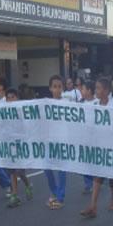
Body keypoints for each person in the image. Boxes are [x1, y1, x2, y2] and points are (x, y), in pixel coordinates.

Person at [80, 78, 113, 218]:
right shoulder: (95, 105)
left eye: (98, 88)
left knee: (111, 176)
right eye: (96, 88)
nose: (96, 91)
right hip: (99, 145)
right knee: (98, 175)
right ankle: (93, 206)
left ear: (107, 90)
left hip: (112, 145)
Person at [5, 88, 33, 208]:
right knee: (12, 170)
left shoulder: (22, 110)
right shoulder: (4, 111)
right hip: (10, 143)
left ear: (17, 98)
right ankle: (15, 195)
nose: (10, 99)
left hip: (21, 144)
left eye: (12, 97)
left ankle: (27, 184)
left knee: (20, 171)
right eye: (8, 97)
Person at [45, 75, 68, 210]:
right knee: (47, 168)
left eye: (60, 87)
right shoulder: (45, 103)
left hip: (62, 140)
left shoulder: (66, 104)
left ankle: (60, 197)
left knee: (61, 169)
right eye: (55, 86)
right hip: (49, 140)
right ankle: (54, 191)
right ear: (50, 88)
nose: (57, 89)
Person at [80, 80, 97, 194]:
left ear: (89, 91)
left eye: (83, 89)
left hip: (95, 138)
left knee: (93, 162)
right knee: (84, 163)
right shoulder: (80, 103)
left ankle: (95, 184)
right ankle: (88, 184)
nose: (82, 91)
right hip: (83, 137)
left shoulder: (98, 103)